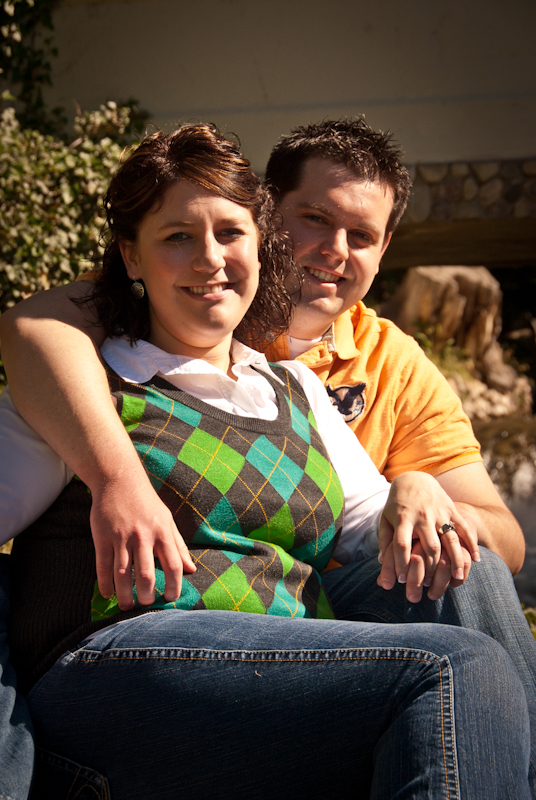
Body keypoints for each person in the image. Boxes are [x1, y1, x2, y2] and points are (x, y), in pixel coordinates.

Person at [0, 123, 531, 799]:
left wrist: (417, 488)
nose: (209, 259)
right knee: (454, 667)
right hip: (120, 662)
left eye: (230, 234)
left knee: (462, 572)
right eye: (177, 237)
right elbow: (36, 329)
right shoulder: (83, 385)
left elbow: (375, 523)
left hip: (278, 667)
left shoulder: (295, 388)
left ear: (259, 243)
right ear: (132, 257)